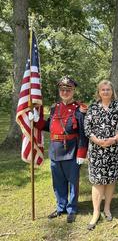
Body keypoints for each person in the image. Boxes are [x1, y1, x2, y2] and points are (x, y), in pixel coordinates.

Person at [35, 76, 88, 223]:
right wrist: (36, 121)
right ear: (59, 91)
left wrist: (82, 152)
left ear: (73, 91)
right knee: (58, 181)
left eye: (68, 89)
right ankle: (60, 207)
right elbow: (49, 127)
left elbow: (83, 133)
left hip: (71, 150)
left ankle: (72, 208)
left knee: (72, 181)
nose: (65, 92)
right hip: (55, 150)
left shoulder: (79, 109)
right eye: (62, 89)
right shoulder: (54, 108)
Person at [84, 80, 118, 230]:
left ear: (112, 91)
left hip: (113, 149)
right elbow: (87, 128)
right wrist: (97, 140)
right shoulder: (92, 108)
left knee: (110, 179)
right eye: (102, 89)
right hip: (96, 150)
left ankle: (107, 208)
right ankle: (96, 212)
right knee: (97, 181)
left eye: (108, 89)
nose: (105, 92)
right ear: (98, 92)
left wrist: (114, 139)